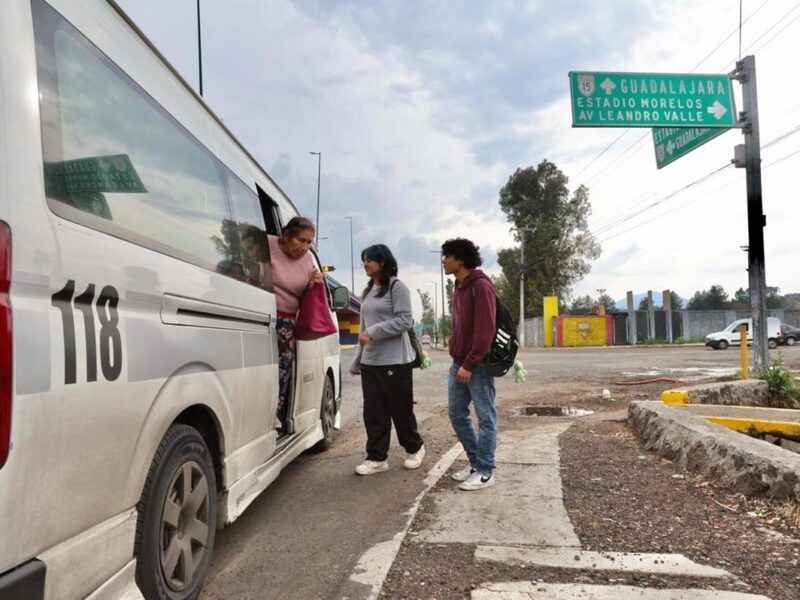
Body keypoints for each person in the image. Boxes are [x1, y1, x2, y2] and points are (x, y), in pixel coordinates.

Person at [241, 217, 322, 431]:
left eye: (309, 243)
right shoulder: (265, 244)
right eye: (301, 240)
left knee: (280, 373)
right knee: (254, 370)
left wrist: (315, 284)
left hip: (286, 324)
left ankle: (273, 418)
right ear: (285, 236)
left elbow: (308, 296)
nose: (305, 247)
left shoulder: (307, 262)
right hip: (257, 316)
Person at [350, 244, 425, 475]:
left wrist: (374, 332)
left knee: (400, 409)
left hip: (395, 360)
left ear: (382, 261)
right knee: (373, 412)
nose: (365, 264)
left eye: (369, 260)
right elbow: (364, 329)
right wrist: (357, 360)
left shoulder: (396, 287)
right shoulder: (368, 290)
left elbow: (405, 321)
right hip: (371, 362)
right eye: (363, 260)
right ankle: (377, 458)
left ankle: (415, 448)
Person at [442, 238, 497, 491]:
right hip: (460, 362)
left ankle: (486, 470)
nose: (444, 260)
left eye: (447, 256)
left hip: (478, 364)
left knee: (485, 417)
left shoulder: (480, 286)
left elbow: (485, 331)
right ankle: (475, 462)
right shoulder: (460, 286)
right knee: (456, 413)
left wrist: (470, 363)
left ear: (460, 259)